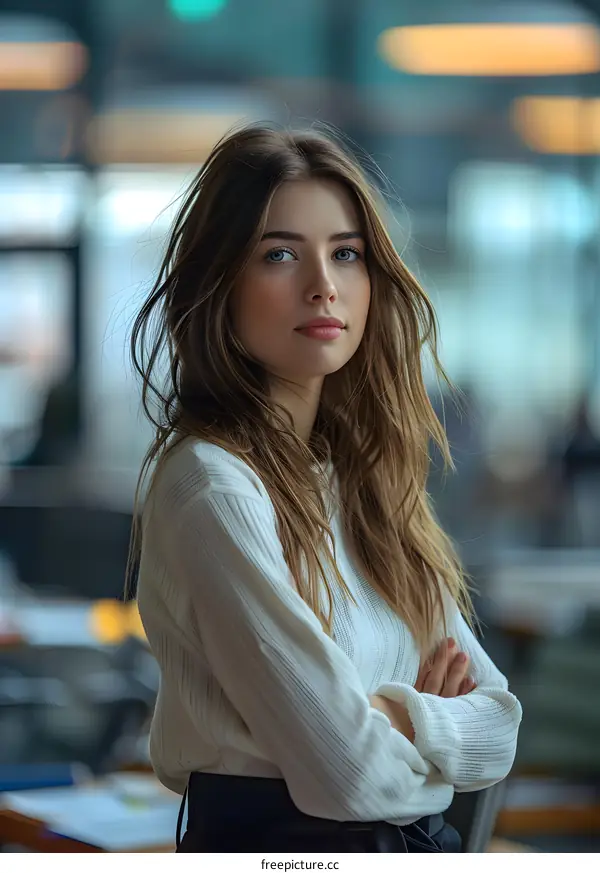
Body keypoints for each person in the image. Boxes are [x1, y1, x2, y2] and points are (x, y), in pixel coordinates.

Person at [130, 125, 522, 853]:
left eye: (346, 253)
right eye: (280, 254)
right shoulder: (215, 487)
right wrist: (422, 730)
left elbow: (500, 723)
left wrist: (388, 715)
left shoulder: (362, 484)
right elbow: (348, 777)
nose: (324, 284)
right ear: (219, 281)